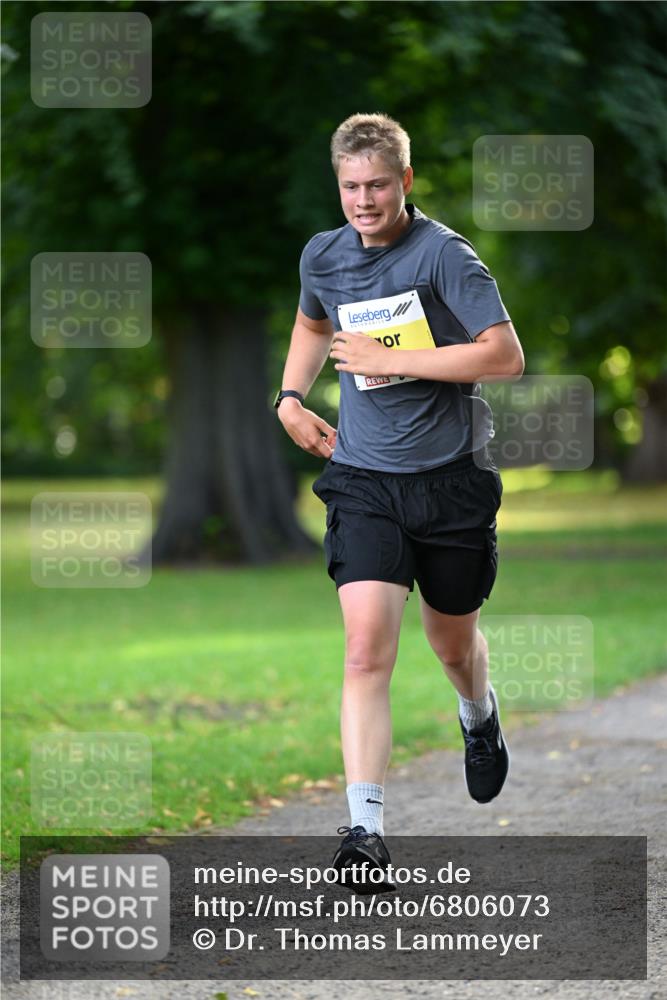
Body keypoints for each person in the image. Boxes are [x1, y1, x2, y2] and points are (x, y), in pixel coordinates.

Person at [275, 113, 524, 893]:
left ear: (404, 181)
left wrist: (395, 356)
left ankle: (477, 716)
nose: (362, 200)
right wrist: (289, 396)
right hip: (363, 478)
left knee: (452, 645)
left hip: (449, 480)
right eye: (349, 186)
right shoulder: (325, 252)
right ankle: (364, 829)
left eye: (376, 185)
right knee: (364, 649)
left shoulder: (445, 256)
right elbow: (313, 319)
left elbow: (504, 356)